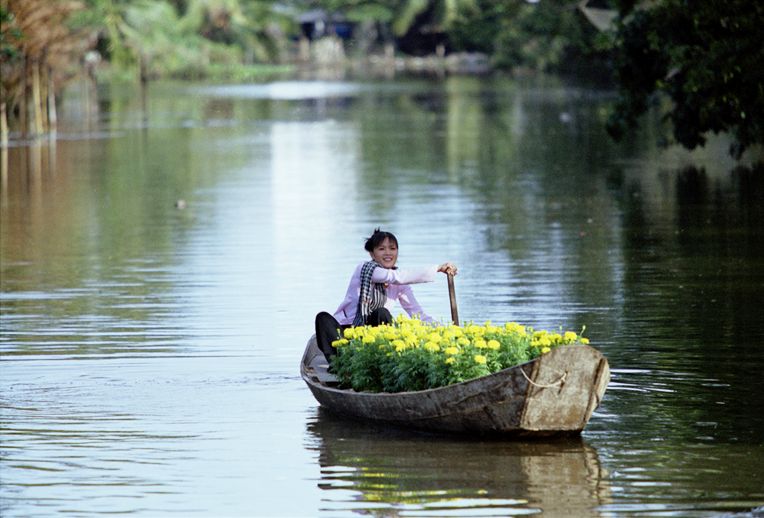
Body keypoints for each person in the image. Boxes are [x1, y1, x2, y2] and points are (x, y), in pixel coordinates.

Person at [315, 228, 458, 361]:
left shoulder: (400, 282)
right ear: (372, 254)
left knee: (381, 313)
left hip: (373, 334)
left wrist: (447, 330)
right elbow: (394, 277)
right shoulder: (365, 269)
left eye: (392, 248)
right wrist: (438, 268)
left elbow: (417, 314)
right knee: (322, 318)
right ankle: (338, 362)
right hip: (348, 329)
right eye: (381, 249)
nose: (388, 253)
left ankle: (380, 358)